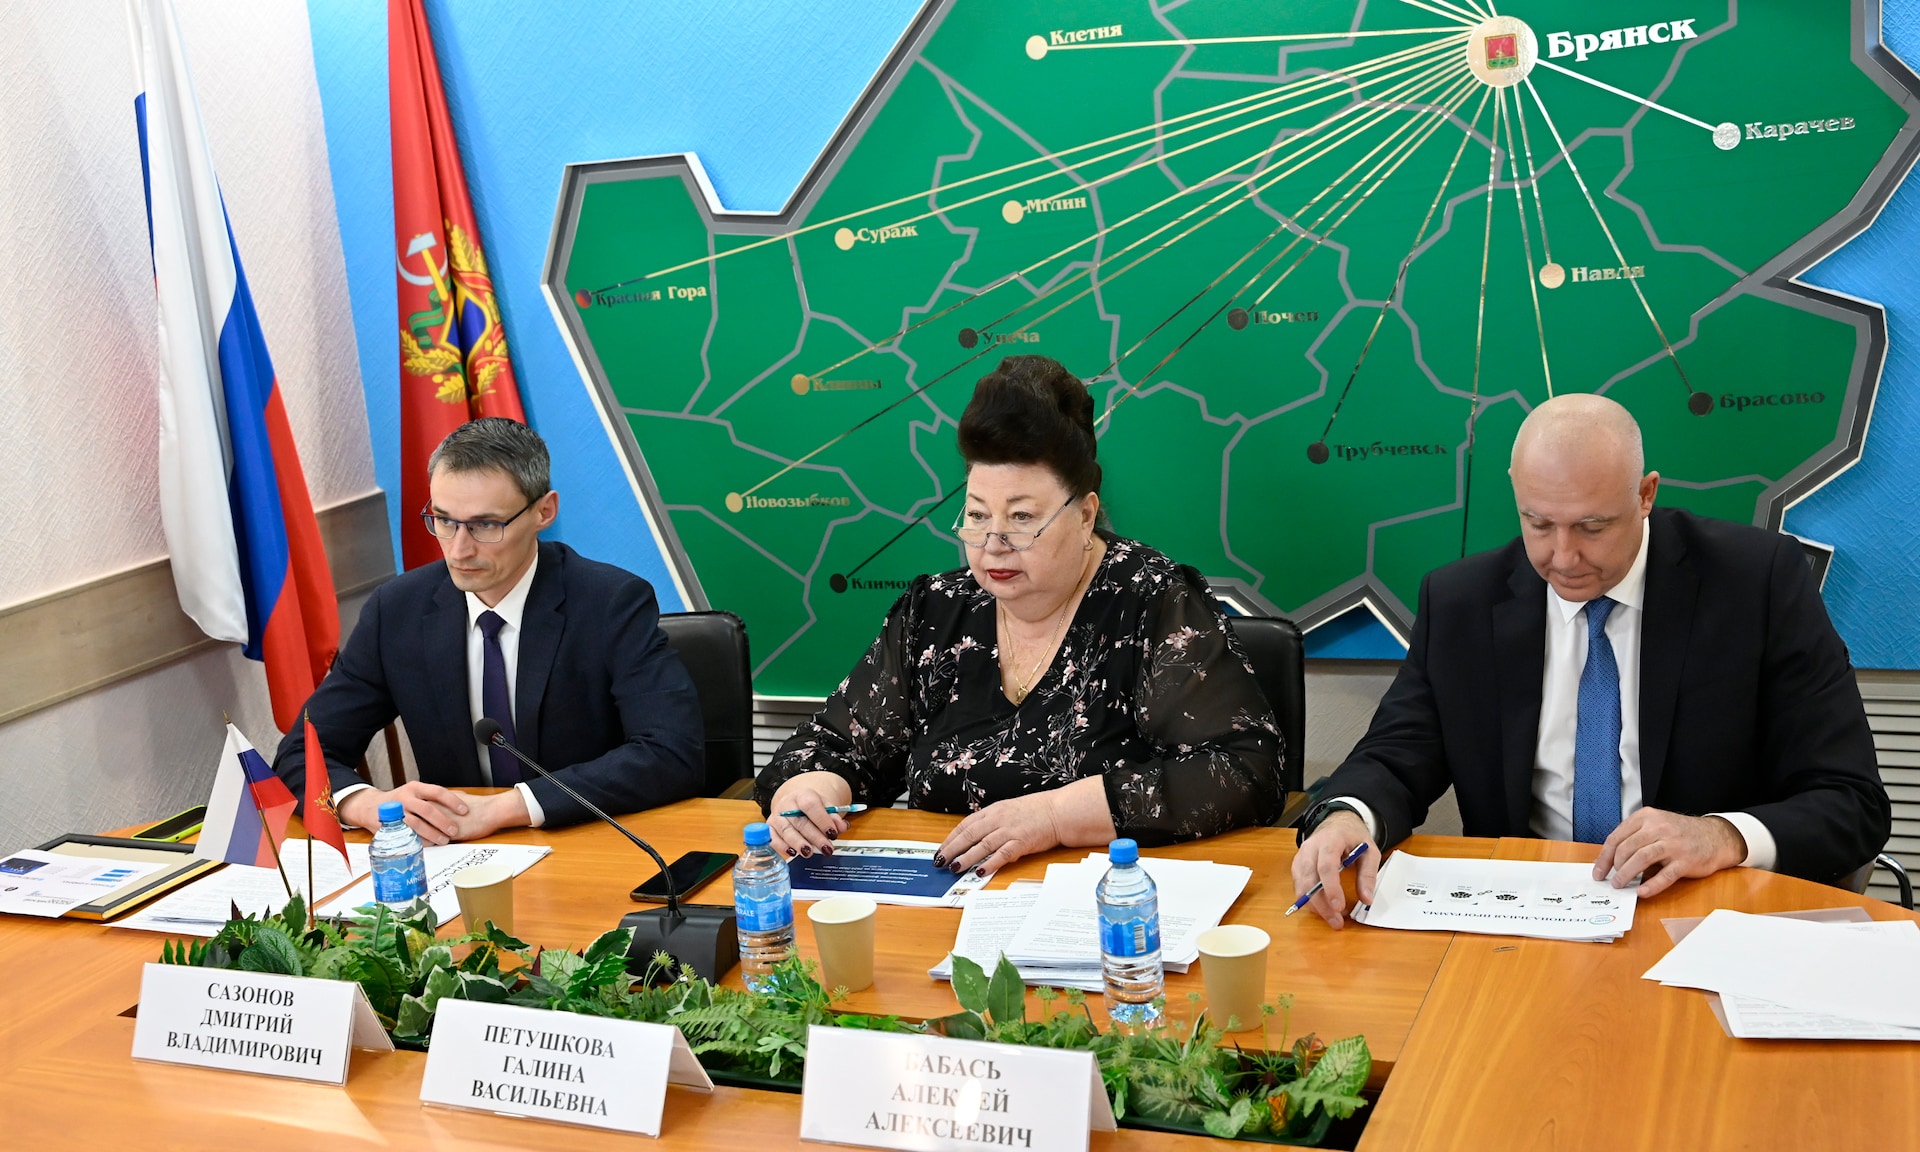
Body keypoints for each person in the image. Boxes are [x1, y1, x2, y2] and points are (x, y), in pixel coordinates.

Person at [1293, 394, 1888, 926]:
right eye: (1538, 523)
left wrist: (1720, 835)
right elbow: (1395, 757)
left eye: (1592, 527)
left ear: (1646, 494)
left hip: (1699, 914)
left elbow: (1851, 801)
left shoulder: (1757, 584)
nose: (1563, 557)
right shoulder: (1462, 602)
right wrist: (1348, 817)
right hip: (1522, 921)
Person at [756, 355, 1284, 874]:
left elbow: (1245, 770)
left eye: (1022, 517)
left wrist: (1055, 817)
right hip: (949, 900)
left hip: (1099, 901)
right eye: (977, 515)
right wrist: (809, 789)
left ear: (1085, 515)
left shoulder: (1151, 600)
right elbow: (835, 744)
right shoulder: (936, 612)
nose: (993, 544)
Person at [273, 418, 703, 843]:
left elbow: (672, 752)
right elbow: (301, 753)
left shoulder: (610, 603)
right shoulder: (398, 611)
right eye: (444, 520)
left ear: (543, 511)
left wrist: (505, 809)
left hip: (587, 839)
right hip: (454, 855)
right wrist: (365, 803)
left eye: (485, 525)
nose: (459, 550)